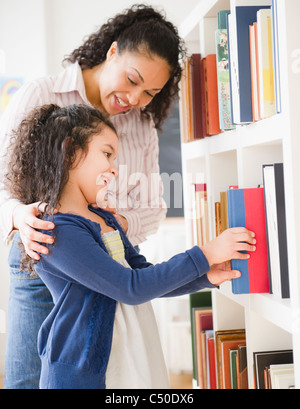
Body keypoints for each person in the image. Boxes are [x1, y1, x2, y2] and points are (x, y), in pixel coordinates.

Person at [5, 103, 256, 389]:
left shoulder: (104, 218)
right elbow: (129, 287)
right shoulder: (58, 230)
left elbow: (143, 274)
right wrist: (206, 253)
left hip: (130, 356)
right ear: (70, 151)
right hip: (85, 375)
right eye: (107, 154)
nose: (114, 168)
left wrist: (204, 276)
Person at [0, 4, 186, 389]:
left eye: (150, 92)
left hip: (106, 264)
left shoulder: (142, 127)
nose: (135, 99)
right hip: (40, 251)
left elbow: (152, 207)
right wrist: (18, 215)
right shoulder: (43, 92)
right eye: (132, 80)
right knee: (26, 378)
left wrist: (110, 226)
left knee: (98, 375)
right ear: (113, 51)